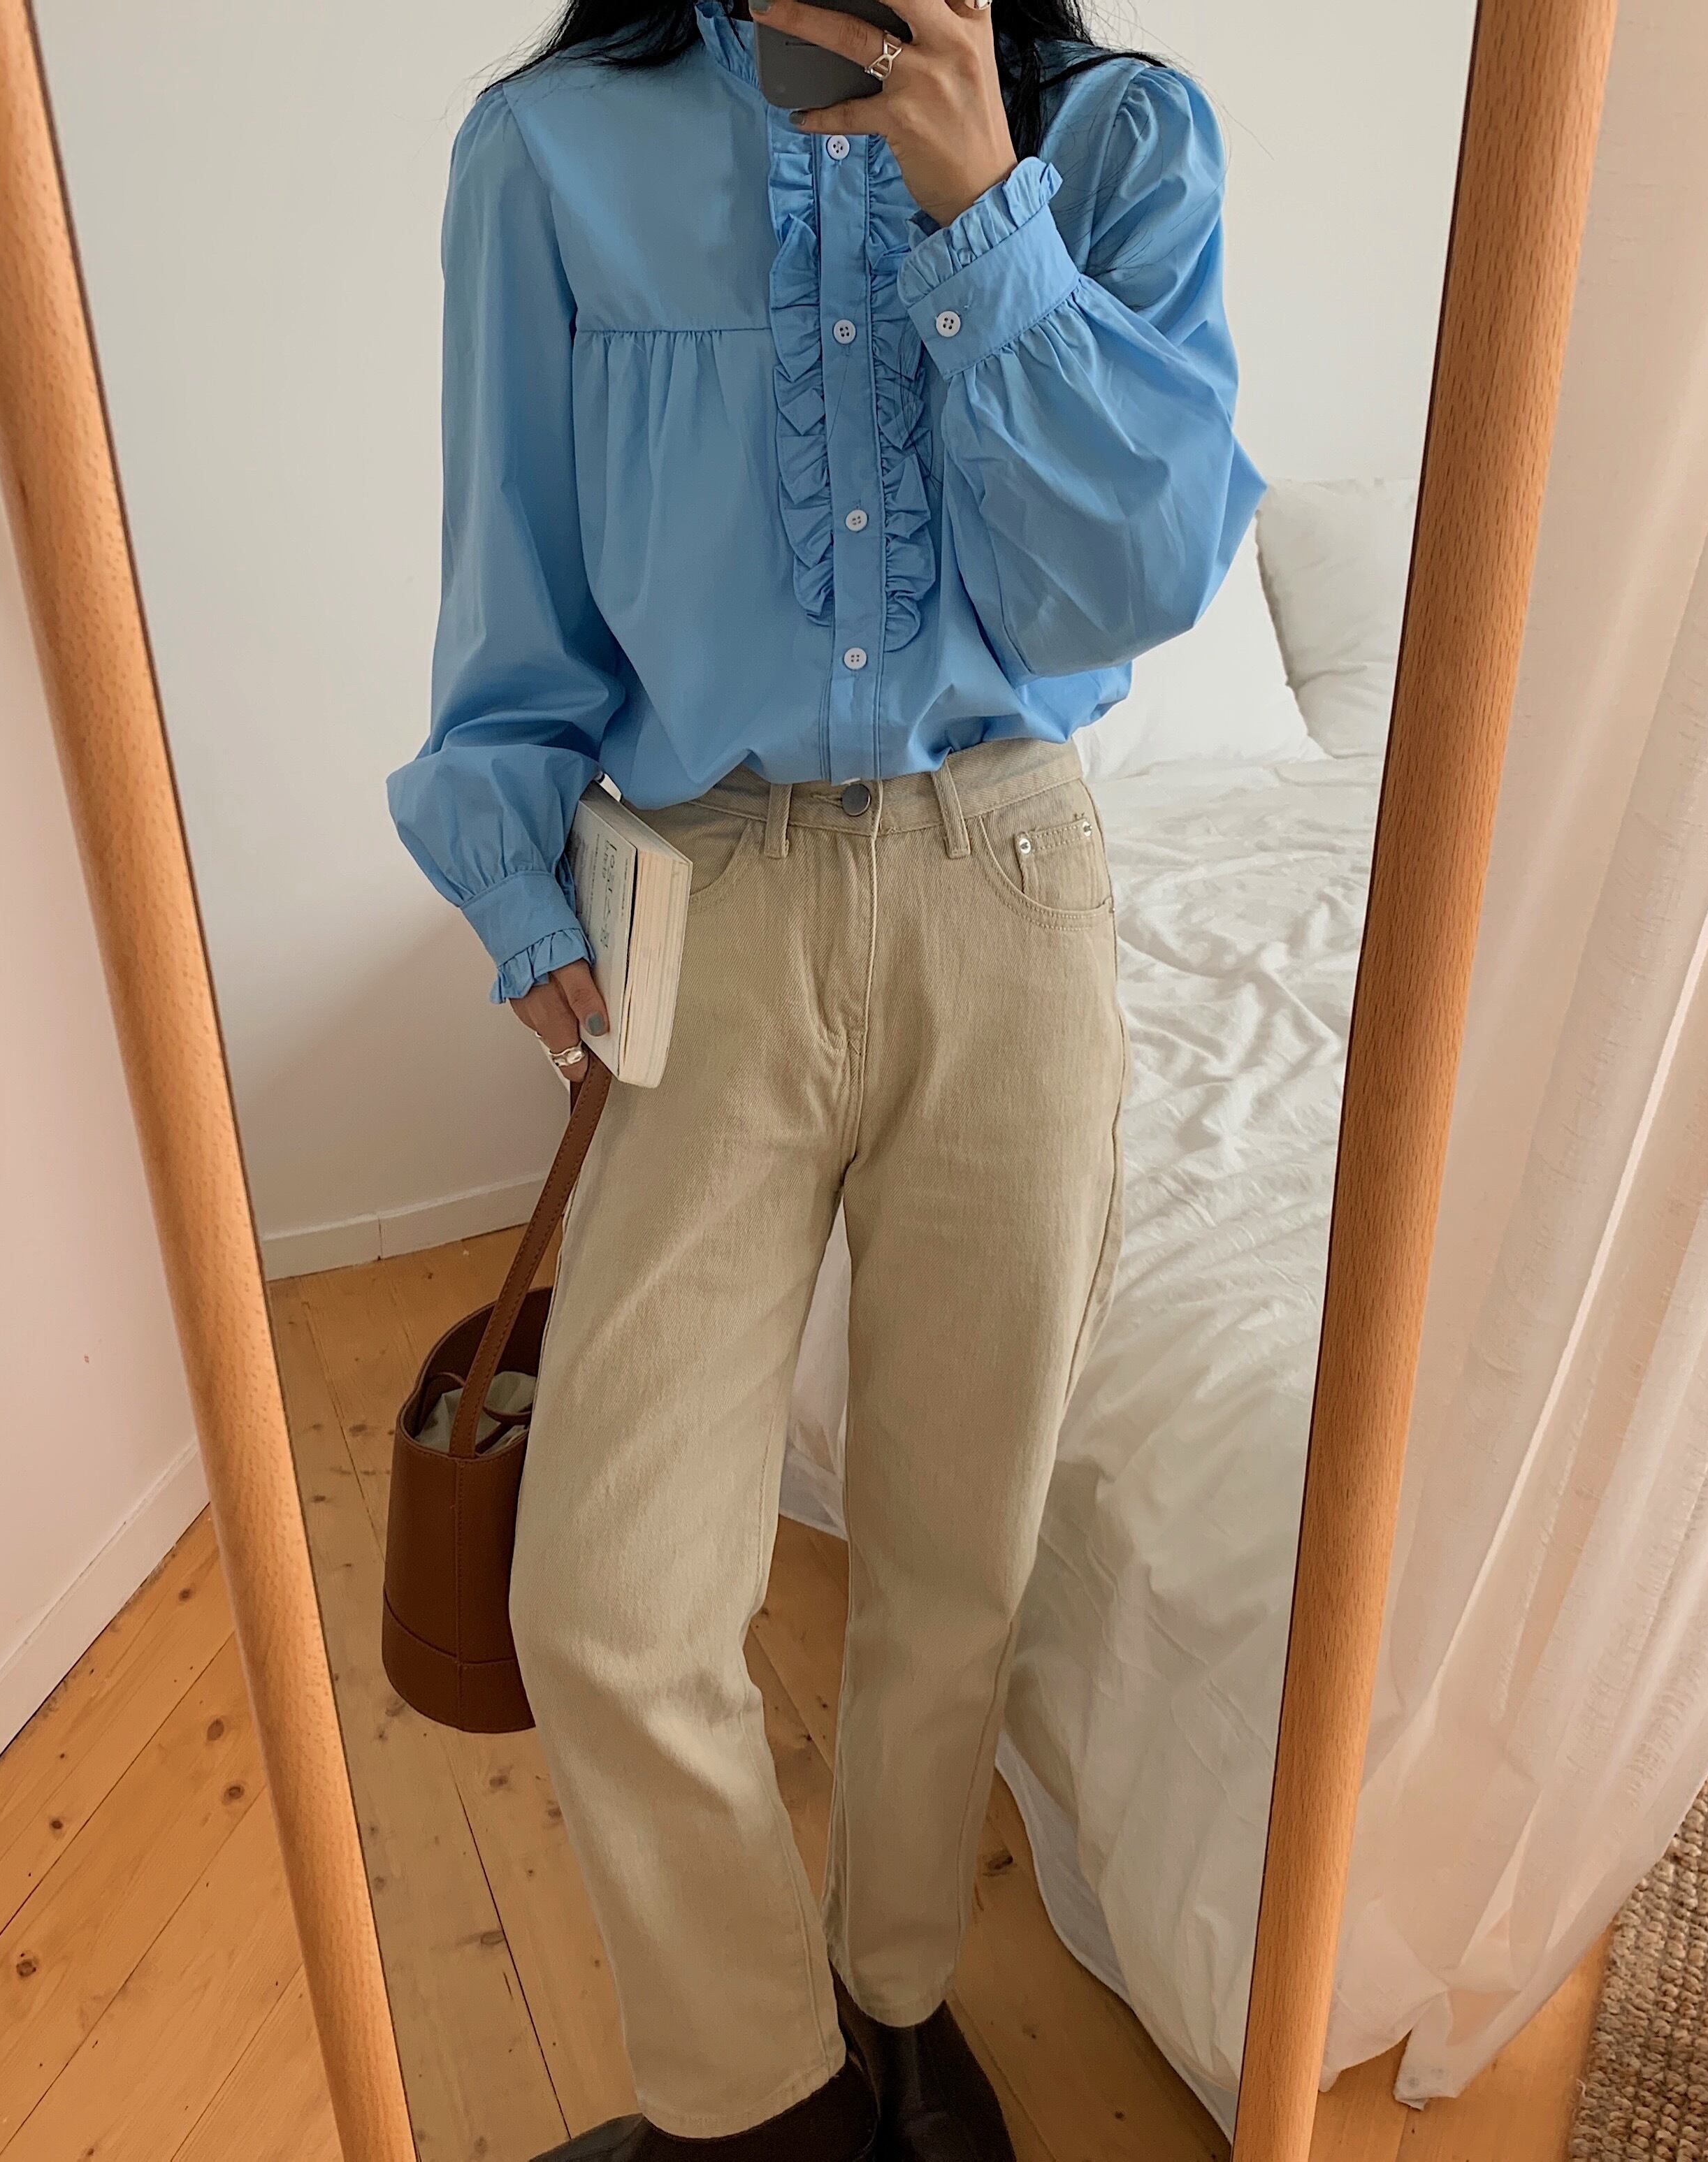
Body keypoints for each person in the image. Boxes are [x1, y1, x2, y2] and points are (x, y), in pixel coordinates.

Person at [388, 0, 1259, 2151]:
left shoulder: (1119, 138)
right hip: (714, 896)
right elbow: (512, 575)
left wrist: (984, 208)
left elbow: (1141, 576)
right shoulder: (550, 152)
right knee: (605, 1597)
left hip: (1012, 883)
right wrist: (512, 870)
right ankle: (770, 2105)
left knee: (956, 1554)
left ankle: (898, 2002)